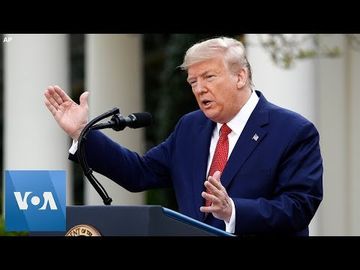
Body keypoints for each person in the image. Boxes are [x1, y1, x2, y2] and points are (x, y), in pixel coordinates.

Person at [44, 36, 323, 236]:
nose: (199, 89)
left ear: (240, 77)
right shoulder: (191, 127)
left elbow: (299, 207)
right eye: (193, 81)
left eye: (209, 77)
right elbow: (138, 173)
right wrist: (83, 132)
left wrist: (233, 210)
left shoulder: (293, 131)